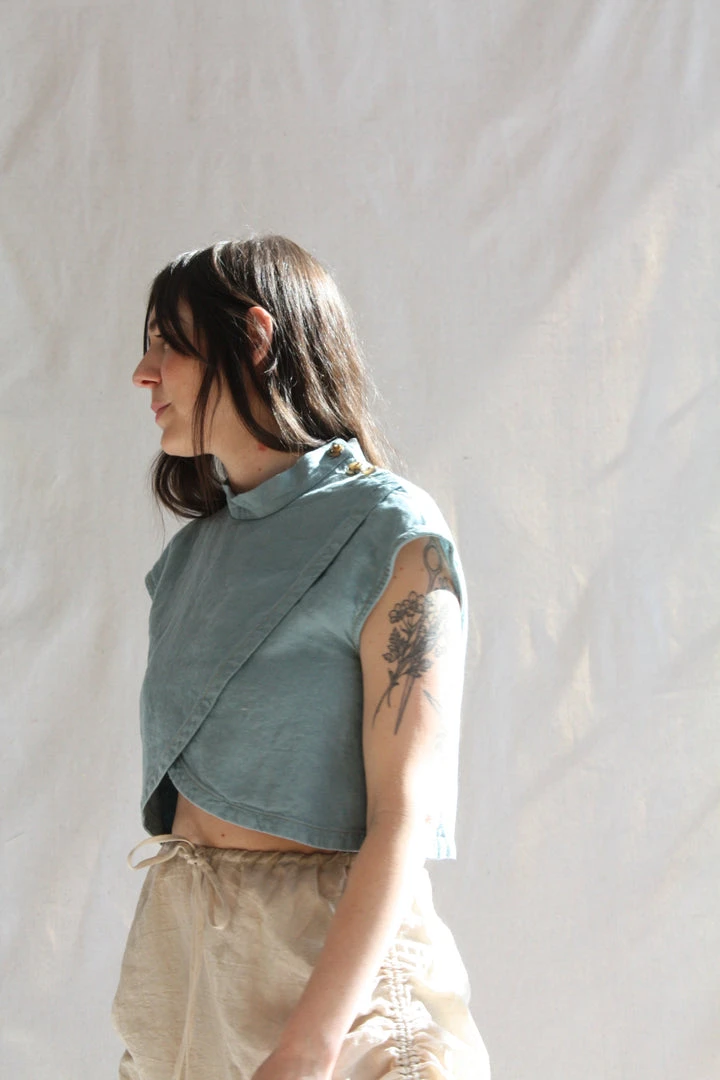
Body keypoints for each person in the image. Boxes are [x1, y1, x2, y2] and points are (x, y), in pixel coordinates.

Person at [110, 234, 492, 1080]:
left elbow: (403, 815)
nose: (143, 373)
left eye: (168, 343)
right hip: (184, 971)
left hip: (338, 993)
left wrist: (310, 1045)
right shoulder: (190, 559)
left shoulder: (393, 532)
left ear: (255, 336)